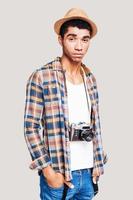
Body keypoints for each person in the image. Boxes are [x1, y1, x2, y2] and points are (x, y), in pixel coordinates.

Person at [24, 7, 107, 200]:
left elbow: (96, 124)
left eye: (85, 39)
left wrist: (98, 161)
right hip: (60, 175)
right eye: (72, 38)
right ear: (60, 40)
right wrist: (48, 171)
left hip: (88, 175)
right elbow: (30, 127)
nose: (79, 46)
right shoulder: (42, 77)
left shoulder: (90, 78)